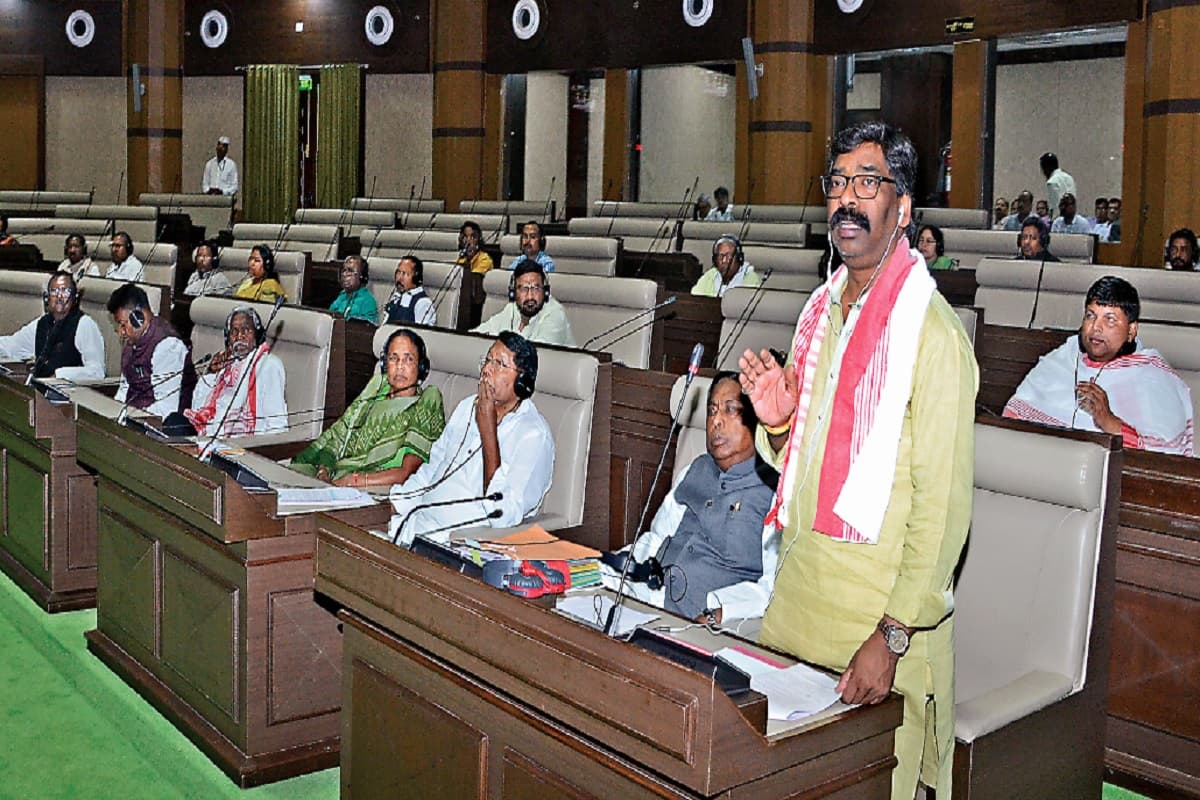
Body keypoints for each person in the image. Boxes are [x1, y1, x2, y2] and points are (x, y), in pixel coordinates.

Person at [737, 121, 976, 800]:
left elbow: (943, 512)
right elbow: (801, 464)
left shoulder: (932, 337)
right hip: (799, 605)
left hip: (876, 630)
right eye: (837, 182)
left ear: (901, 209)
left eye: (867, 182)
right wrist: (778, 421)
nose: (847, 198)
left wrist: (892, 637)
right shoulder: (818, 312)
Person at [599, 372, 780, 621]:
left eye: (730, 410)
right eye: (711, 410)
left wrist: (722, 612)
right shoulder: (696, 469)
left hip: (700, 625)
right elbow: (656, 538)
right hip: (648, 599)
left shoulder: (772, 490)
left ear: (756, 419)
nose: (716, 421)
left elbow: (773, 587)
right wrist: (608, 569)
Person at [387, 332, 554, 546]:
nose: (486, 370)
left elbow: (504, 515)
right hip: (413, 529)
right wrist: (391, 505)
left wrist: (488, 431)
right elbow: (432, 468)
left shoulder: (534, 436)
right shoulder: (467, 407)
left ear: (522, 382)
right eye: (487, 360)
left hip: (458, 547)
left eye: (499, 364)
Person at [1004, 276, 1193, 456]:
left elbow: (1164, 457)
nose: (1096, 327)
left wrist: (1109, 421)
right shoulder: (1064, 358)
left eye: (1109, 319)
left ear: (1131, 330)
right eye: (1090, 316)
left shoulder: (1150, 375)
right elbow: (1012, 421)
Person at [291, 328, 446, 487]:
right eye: (393, 358)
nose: (400, 366)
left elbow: (406, 473)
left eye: (408, 359)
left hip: (373, 487)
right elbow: (338, 437)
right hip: (338, 472)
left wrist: (354, 481)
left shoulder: (427, 400)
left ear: (421, 367)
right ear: (385, 364)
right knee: (286, 478)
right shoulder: (376, 389)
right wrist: (324, 471)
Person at [183, 306, 287, 437]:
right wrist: (211, 372)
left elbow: (276, 424)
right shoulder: (227, 363)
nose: (239, 336)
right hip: (210, 434)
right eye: (234, 331)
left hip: (240, 441)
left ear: (257, 335)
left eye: (246, 330)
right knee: (175, 421)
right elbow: (197, 406)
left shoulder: (268, 365)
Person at [108, 283, 195, 418]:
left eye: (123, 324)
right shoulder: (132, 343)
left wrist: (126, 417)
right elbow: (124, 389)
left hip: (160, 426)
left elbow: (167, 408)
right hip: (133, 417)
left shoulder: (168, 346)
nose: (121, 333)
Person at [0, 272, 105, 380]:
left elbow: (96, 371)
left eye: (65, 291)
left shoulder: (85, 324)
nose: (59, 296)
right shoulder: (42, 323)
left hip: (71, 393)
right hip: (41, 390)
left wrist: (60, 375)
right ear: (47, 297)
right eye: (54, 291)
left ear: (74, 297)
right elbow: (11, 346)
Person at [471, 260, 576, 347]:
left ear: (545, 291)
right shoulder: (512, 310)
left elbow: (535, 356)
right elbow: (478, 335)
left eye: (536, 288)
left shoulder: (555, 314)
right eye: (523, 289)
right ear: (513, 293)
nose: (530, 296)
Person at [690, 234, 762, 297]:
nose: (724, 261)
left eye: (728, 256)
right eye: (720, 256)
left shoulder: (750, 279)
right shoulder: (710, 276)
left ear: (739, 258)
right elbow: (695, 299)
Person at [382, 255, 437, 326]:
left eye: (405, 274)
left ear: (416, 278)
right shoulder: (396, 298)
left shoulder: (423, 303)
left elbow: (421, 334)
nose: (400, 278)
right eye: (398, 272)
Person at [329, 255, 378, 324]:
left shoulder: (368, 301)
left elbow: (368, 330)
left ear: (362, 277)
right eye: (344, 270)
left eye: (350, 271)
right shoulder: (341, 296)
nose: (345, 274)